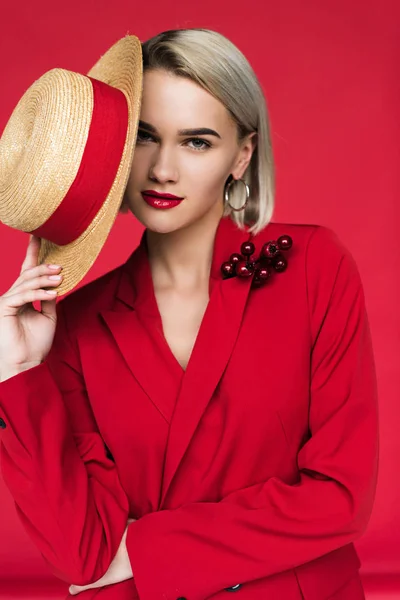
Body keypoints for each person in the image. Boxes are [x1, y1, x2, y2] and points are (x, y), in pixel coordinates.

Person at [0, 28, 379, 600]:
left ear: (242, 154)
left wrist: (146, 551)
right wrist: (18, 372)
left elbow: (340, 497)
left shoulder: (314, 268)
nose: (162, 170)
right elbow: (81, 553)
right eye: (144, 139)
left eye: (196, 142)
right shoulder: (72, 326)